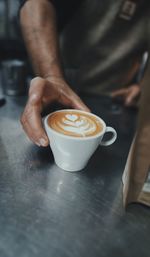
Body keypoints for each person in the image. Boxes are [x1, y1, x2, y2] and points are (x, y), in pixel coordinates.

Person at [19, 0, 149, 147]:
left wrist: (143, 85)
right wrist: (52, 76)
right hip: (59, 91)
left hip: (115, 104)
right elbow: (34, 5)